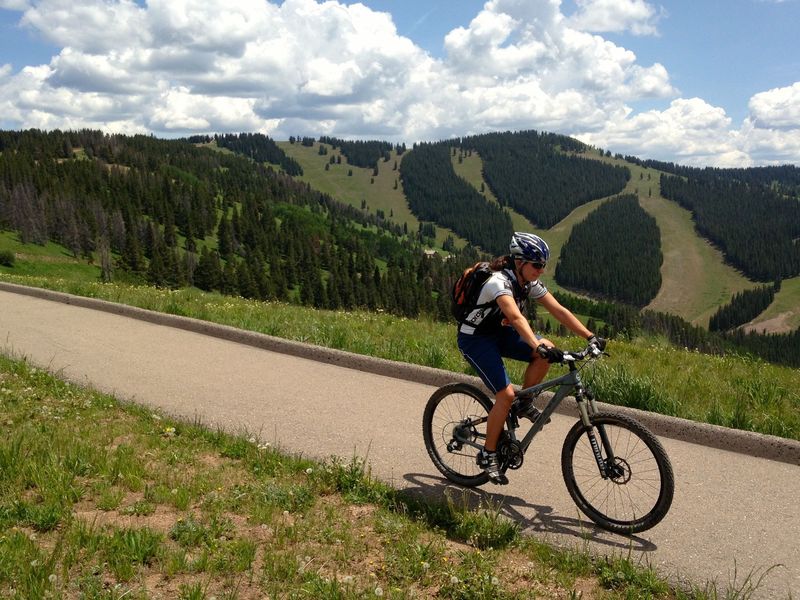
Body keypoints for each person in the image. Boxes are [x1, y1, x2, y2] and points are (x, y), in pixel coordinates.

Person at [456, 232, 605, 484]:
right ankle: (489, 454)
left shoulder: (528, 283)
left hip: (500, 333)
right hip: (476, 338)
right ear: (519, 262)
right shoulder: (498, 283)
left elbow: (558, 309)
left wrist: (590, 336)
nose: (541, 270)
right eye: (536, 265)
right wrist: (535, 343)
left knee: (545, 350)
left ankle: (524, 403)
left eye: (543, 265)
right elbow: (516, 318)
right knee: (505, 395)